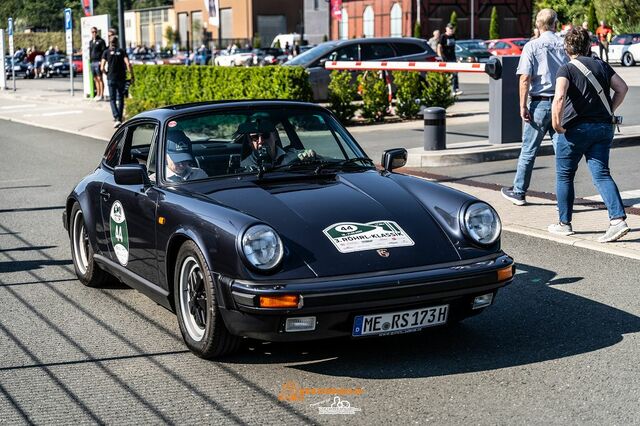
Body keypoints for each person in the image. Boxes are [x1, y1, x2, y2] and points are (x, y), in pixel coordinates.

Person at [549, 27, 629, 242]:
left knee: (565, 175)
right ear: (588, 45)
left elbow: (559, 98)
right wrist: (610, 110)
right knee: (602, 174)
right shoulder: (602, 65)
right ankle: (617, 220)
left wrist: (557, 124)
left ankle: (564, 224)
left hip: (575, 130)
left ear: (567, 47)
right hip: (603, 128)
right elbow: (622, 88)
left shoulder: (566, 69)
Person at [501, 9, 568, 206]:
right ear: (555, 23)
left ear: (538, 25)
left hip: (539, 103)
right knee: (562, 153)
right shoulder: (565, 44)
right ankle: (563, 197)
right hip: (560, 103)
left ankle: (519, 192)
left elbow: (524, 78)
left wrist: (522, 106)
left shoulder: (532, 46)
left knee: (529, 151)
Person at [237, 120, 316, 171]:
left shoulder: (294, 155)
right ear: (250, 142)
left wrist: (310, 155)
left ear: (275, 136)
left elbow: (309, 156)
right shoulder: (244, 166)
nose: (260, 141)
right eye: (255, 137)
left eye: (266, 135)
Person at [100, 37, 134, 128]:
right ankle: (119, 118)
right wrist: (132, 75)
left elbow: (102, 67)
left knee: (112, 99)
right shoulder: (122, 51)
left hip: (111, 77)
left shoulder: (106, 52)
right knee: (121, 98)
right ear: (117, 42)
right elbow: (128, 64)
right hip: (121, 78)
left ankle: (116, 117)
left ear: (110, 42)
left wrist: (106, 73)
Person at [437, 23, 462, 95]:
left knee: (455, 74)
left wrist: (457, 58)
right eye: (450, 28)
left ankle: (455, 90)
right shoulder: (443, 36)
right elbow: (439, 46)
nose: (451, 30)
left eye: (452, 28)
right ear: (446, 29)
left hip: (452, 57)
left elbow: (454, 47)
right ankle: (444, 90)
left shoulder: (453, 36)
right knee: (446, 75)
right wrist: (440, 56)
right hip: (445, 58)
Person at [89, 27, 107, 101]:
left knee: (100, 78)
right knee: (95, 78)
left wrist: (101, 61)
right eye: (93, 32)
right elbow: (90, 51)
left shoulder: (101, 41)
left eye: (95, 32)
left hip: (98, 61)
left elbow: (104, 52)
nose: (94, 33)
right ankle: (98, 93)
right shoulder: (91, 42)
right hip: (92, 62)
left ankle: (101, 94)